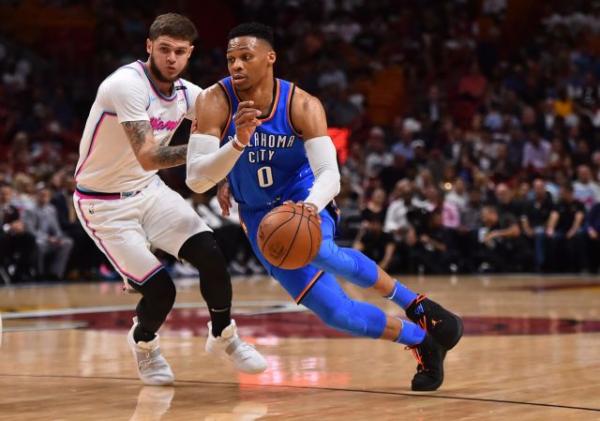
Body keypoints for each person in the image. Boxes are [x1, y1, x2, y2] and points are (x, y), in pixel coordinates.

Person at [185, 22, 462, 391]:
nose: (236, 65)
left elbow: (330, 174)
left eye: (246, 57)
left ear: (270, 58)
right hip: (258, 216)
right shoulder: (214, 101)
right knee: (336, 314)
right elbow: (196, 180)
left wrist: (308, 207)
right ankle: (423, 341)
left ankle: (417, 305)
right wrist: (232, 153)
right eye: (231, 58)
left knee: (321, 251)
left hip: (304, 196)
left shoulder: (301, 104)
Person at [73, 14, 266, 386]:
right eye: (164, 49)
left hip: (149, 191)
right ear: (149, 46)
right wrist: (213, 150)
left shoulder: (190, 94)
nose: (171, 58)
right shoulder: (126, 85)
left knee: (211, 254)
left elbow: (228, 130)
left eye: (180, 51)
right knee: (162, 291)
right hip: (104, 205)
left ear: (190, 53)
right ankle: (144, 342)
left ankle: (224, 334)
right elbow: (149, 156)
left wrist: (224, 171)